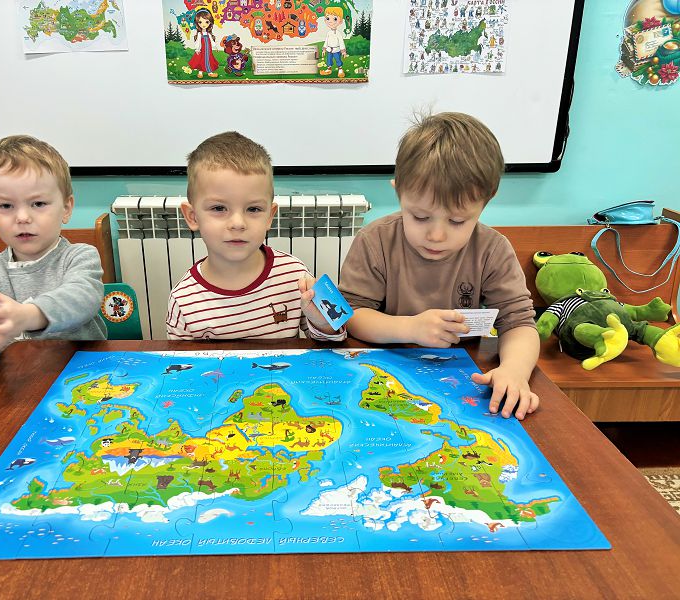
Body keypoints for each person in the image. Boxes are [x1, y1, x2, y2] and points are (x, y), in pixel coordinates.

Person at [338, 112, 540, 420]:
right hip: (383, 373)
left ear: (486, 201)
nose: (436, 235)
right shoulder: (375, 240)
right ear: (398, 191)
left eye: (457, 221)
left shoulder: (492, 249)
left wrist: (514, 370)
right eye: (420, 217)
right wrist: (411, 328)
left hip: (462, 380)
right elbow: (352, 315)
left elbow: (519, 323)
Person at [166, 131, 345, 341]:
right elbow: (179, 360)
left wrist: (324, 325)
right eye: (218, 208)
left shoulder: (294, 275)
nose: (238, 223)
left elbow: (331, 345)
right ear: (192, 216)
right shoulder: (183, 300)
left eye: (253, 209)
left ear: (270, 216)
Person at [0, 135, 106, 357]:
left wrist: (27, 315)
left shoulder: (80, 256)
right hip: (17, 374)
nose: (22, 217)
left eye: (38, 203)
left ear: (66, 208)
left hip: (83, 371)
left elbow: (82, 299)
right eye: (6, 206)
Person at [188, 8, 219, 79]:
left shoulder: (208, 34)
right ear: (197, 23)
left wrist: (215, 47)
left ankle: (210, 72)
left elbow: (212, 41)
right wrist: (197, 49)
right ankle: (200, 72)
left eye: (207, 22)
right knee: (201, 60)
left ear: (210, 22)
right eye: (200, 22)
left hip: (208, 51)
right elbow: (198, 42)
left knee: (209, 60)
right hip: (202, 50)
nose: (204, 24)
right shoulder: (199, 34)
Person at [319, 6, 347, 78]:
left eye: (335, 19)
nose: (330, 21)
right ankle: (329, 69)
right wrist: (324, 49)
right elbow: (326, 41)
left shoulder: (338, 33)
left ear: (340, 21)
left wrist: (343, 51)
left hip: (336, 50)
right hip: (329, 49)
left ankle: (340, 69)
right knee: (329, 59)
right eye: (328, 18)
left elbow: (341, 42)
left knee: (338, 59)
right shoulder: (328, 33)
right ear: (325, 20)